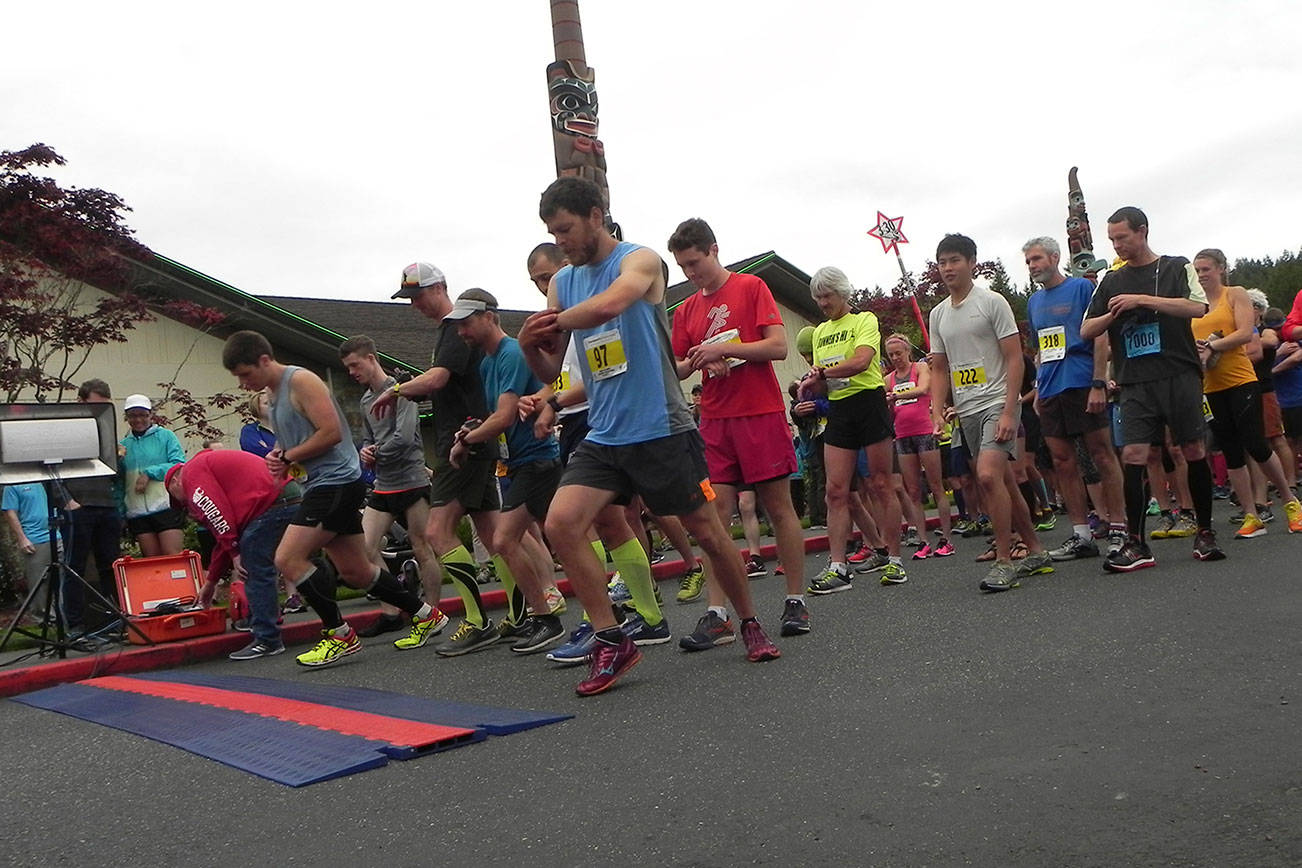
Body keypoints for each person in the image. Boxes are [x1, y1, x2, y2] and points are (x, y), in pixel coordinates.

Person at [519, 176, 780, 697]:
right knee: (561, 524)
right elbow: (554, 368)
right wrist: (530, 348)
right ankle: (612, 638)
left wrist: (552, 321)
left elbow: (611, 305)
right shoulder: (562, 282)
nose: (560, 242)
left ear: (596, 216)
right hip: (605, 433)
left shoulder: (640, 261)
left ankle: (748, 621)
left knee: (709, 533)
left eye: (565, 230)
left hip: (660, 428)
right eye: (552, 233)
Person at [221, 330, 447, 668]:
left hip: (336, 482)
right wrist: (280, 456)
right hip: (320, 484)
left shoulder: (301, 381)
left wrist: (289, 456)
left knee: (287, 558)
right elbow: (296, 442)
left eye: (245, 374)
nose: (242, 383)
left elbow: (331, 433)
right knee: (356, 571)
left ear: (264, 360)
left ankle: (339, 634)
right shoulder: (273, 394)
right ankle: (427, 615)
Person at [520, 243, 675, 665]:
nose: (544, 287)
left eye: (548, 276)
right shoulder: (560, 320)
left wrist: (554, 400)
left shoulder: (592, 304)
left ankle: (620, 617)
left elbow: (606, 369)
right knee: (598, 522)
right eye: (536, 281)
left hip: (607, 418)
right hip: (574, 421)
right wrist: (543, 398)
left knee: (600, 521)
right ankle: (632, 618)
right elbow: (557, 373)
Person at [667, 217, 811, 638]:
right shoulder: (687, 309)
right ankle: (718, 613)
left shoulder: (751, 287)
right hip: (715, 421)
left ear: (713, 250)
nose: (690, 273)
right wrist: (700, 358)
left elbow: (777, 346)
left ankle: (795, 600)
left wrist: (725, 348)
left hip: (760, 413)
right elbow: (676, 366)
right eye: (682, 267)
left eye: (694, 263)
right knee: (715, 516)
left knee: (778, 507)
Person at [370, 263, 515, 656]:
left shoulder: (454, 328)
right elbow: (441, 384)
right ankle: (521, 613)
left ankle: (477, 621)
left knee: (437, 532)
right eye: (409, 298)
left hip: (463, 442)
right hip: (475, 437)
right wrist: (412, 389)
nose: (414, 304)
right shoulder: (451, 332)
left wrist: (395, 390)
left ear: (440, 288)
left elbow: (437, 379)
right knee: (492, 534)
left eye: (418, 295)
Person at [1080, 207, 1221, 568]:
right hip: (1135, 381)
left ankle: (1205, 532)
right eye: (1112, 239)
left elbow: (1198, 307)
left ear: (1142, 231)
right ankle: (1136, 543)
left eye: (1122, 237)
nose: (1116, 245)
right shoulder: (1111, 280)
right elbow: (1086, 330)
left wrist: (1142, 300)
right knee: (1134, 455)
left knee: (1192, 448)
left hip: (1179, 373)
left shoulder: (1176, 266)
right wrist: (1114, 313)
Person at [445, 288, 570, 653]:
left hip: (537, 459)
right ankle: (577, 613)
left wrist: (466, 441)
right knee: (562, 536)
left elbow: (503, 417)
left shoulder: (512, 353)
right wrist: (471, 430)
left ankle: (546, 618)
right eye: (457, 326)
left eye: (467, 323)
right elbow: (497, 416)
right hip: (517, 462)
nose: (461, 332)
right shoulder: (487, 363)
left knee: (504, 540)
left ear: (490, 317)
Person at [927, 234, 1053, 592]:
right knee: (1004, 481)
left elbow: (1014, 358)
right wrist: (936, 410)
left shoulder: (992, 302)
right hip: (965, 409)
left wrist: (1011, 410)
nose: (948, 268)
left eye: (955, 260)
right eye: (942, 262)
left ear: (972, 263)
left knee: (986, 476)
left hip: (996, 402)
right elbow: (940, 368)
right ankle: (1036, 550)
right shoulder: (938, 314)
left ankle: (1004, 559)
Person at [803, 266, 908, 592]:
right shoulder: (819, 332)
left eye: (828, 296)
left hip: (868, 402)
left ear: (842, 293)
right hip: (839, 408)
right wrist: (812, 386)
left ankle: (894, 560)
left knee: (880, 484)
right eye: (818, 298)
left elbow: (862, 361)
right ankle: (838, 567)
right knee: (835, 491)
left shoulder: (864, 321)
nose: (823, 303)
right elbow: (824, 381)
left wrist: (823, 373)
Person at [1022, 236, 1127, 560]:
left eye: (1037, 259)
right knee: (1062, 461)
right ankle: (1081, 534)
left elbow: (1099, 335)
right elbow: (1041, 348)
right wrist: (1039, 387)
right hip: (1051, 388)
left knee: (1101, 454)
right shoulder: (1034, 302)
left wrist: (1098, 382)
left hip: (1081, 381)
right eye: (1028, 262)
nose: (1032, 266)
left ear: (1054, 258)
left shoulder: (1081, 288)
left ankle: (1119, 528)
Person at [1188, 249, 1302, 538]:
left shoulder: (1234, 294)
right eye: (1197, 270)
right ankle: (1251, 515)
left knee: (1256, 443)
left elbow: (1244, 332)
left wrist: (1212, 345)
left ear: (1221, 269)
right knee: (1230, 450)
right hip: (1210, 385)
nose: (1201, 275)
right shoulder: (1194, 304)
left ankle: (1290, 501)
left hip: (1241, 380)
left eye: (1206, 269)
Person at [339, 335, 443, 637]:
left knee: (422, 547)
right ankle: (392, 610)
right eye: (347, 368)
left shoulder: (402, 390)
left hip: (412, 480)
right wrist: (365, 451)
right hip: (384, 484)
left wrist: (378, 452)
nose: (352, 373)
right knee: (366, 548)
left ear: (371, 359)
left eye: (355, 365)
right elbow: (369, 438)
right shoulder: (365, 400)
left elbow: (406, 436)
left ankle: (432, 613)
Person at [164, 449, 301, 660]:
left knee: (253, 567)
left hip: (270, 500)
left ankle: (267, 638)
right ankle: (266, 617)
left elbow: (216, 512)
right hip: (284, 494)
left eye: (179, 501)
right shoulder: (207, 467)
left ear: (175, 482)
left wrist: (236, 553)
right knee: (291, 560)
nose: (186, 506)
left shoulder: (191, 474)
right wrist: (210, 583)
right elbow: (224, 541)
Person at [882, 333, 955, 558]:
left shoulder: (920, 368)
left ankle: (946, 538)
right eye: (891, 355)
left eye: (899, 353)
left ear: (908, 352)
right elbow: (890, 412)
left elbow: (923, 389)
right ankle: (923, 540)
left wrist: (896, 396)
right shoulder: (888, 379)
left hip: (925, 431)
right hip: (903, 435)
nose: (896, 358)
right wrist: (889, 403)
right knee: (913, 490)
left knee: (936, 486)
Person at [61, 378, 123, 633]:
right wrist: (66, 499)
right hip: (78, 504)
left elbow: (115, 472)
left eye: (103, 406)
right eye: (95, 405)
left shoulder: (105, 428)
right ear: (80, 401)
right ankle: (75, 624)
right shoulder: (64, 429)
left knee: (111, 565)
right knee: (74, 566)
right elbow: (50, 467)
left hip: (105, 503)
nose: (99, 410)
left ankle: (115, 619)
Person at [118, 394, 186, 557]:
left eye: (143, 415)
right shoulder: (123, 445)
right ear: (127, 417)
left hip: (166, 505)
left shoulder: (166, 436)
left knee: (172, 555)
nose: (138, 420)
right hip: (137, 510)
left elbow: (178, 464)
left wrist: (149, 473)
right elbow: (120, 481)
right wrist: (121, 510)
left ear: (151, 415)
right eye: (133, 415)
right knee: (152, 560)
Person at [3, 480, 56, 616]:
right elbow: (10, 513)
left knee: (60, 580)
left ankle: (61, 618)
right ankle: (44, 619)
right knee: (39, 583)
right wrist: (22, 538)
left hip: (57, 535)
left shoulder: (46, 479)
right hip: (34, 538)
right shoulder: (13, 484)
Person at [239, 388, 277, 457]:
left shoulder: (286, 429)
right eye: (266, 403)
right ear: (256, 407)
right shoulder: (250, 430)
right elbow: (255, 451)